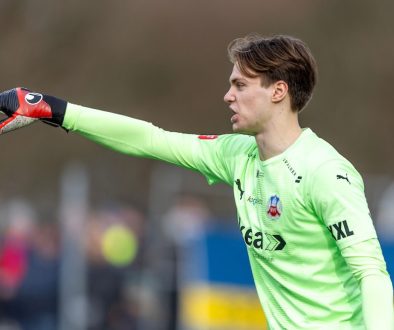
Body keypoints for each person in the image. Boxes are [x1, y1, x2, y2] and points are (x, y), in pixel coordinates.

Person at [0, 34, 392, 329]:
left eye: (240, 85)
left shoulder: (326, 172)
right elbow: (151, 139)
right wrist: (50, 108)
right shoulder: (236, 155)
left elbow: (372, 273)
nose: (227, 96)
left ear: (278, 91)